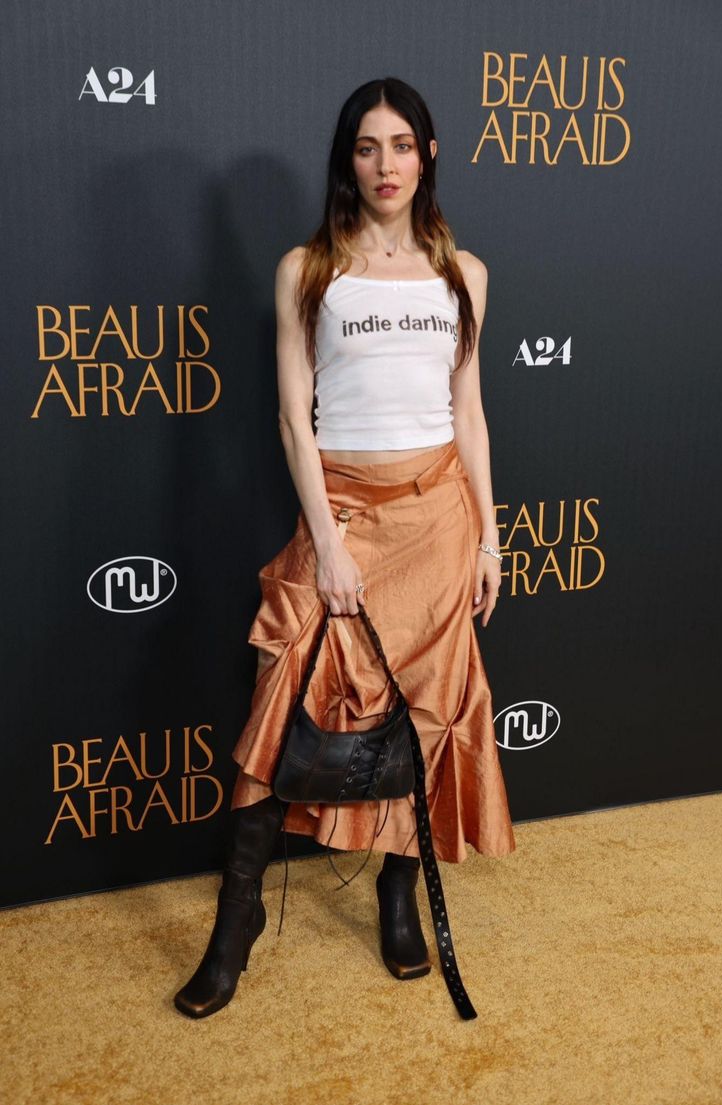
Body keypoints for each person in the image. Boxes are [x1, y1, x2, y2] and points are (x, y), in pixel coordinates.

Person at [174, 76, 516, 1020]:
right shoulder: (307, 270)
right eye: (367, 147)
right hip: (344, 516)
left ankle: (397, 895)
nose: (386, 165)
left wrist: (489, 535)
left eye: (402, 145)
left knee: (427, 712)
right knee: (277, 713)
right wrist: (326, 544)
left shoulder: (464, 274)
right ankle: (235, 923)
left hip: (440, 520)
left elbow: (471, 415)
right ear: (347, 160)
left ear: (430, 153)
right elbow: (294, 419)